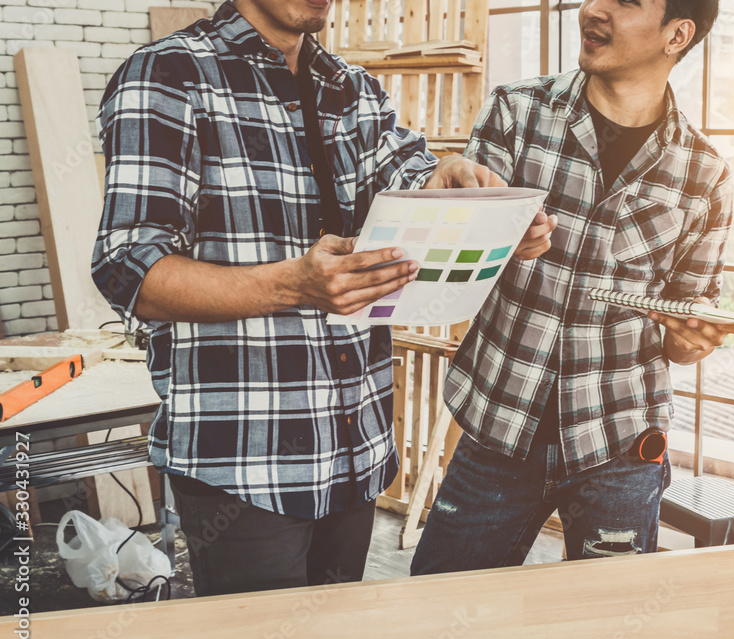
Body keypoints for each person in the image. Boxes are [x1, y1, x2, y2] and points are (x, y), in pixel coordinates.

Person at [92, 0, 554, 596]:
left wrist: (463, 195)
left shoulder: (350, 86)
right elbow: (128, 267)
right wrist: (291, 285)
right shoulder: (169, 74)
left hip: (354, 449)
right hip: (244, 461)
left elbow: (411, 176)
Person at [411, 0, 734, 574]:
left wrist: (693, 338)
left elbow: (687, 326)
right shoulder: (517, 113)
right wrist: (472, 226)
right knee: (437, 612)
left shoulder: (705, 174)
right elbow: (444, 264)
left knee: (607, 627)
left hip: (619, 442)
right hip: (499, 423)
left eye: (625, 2)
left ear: (677, 35)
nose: (593, 9)